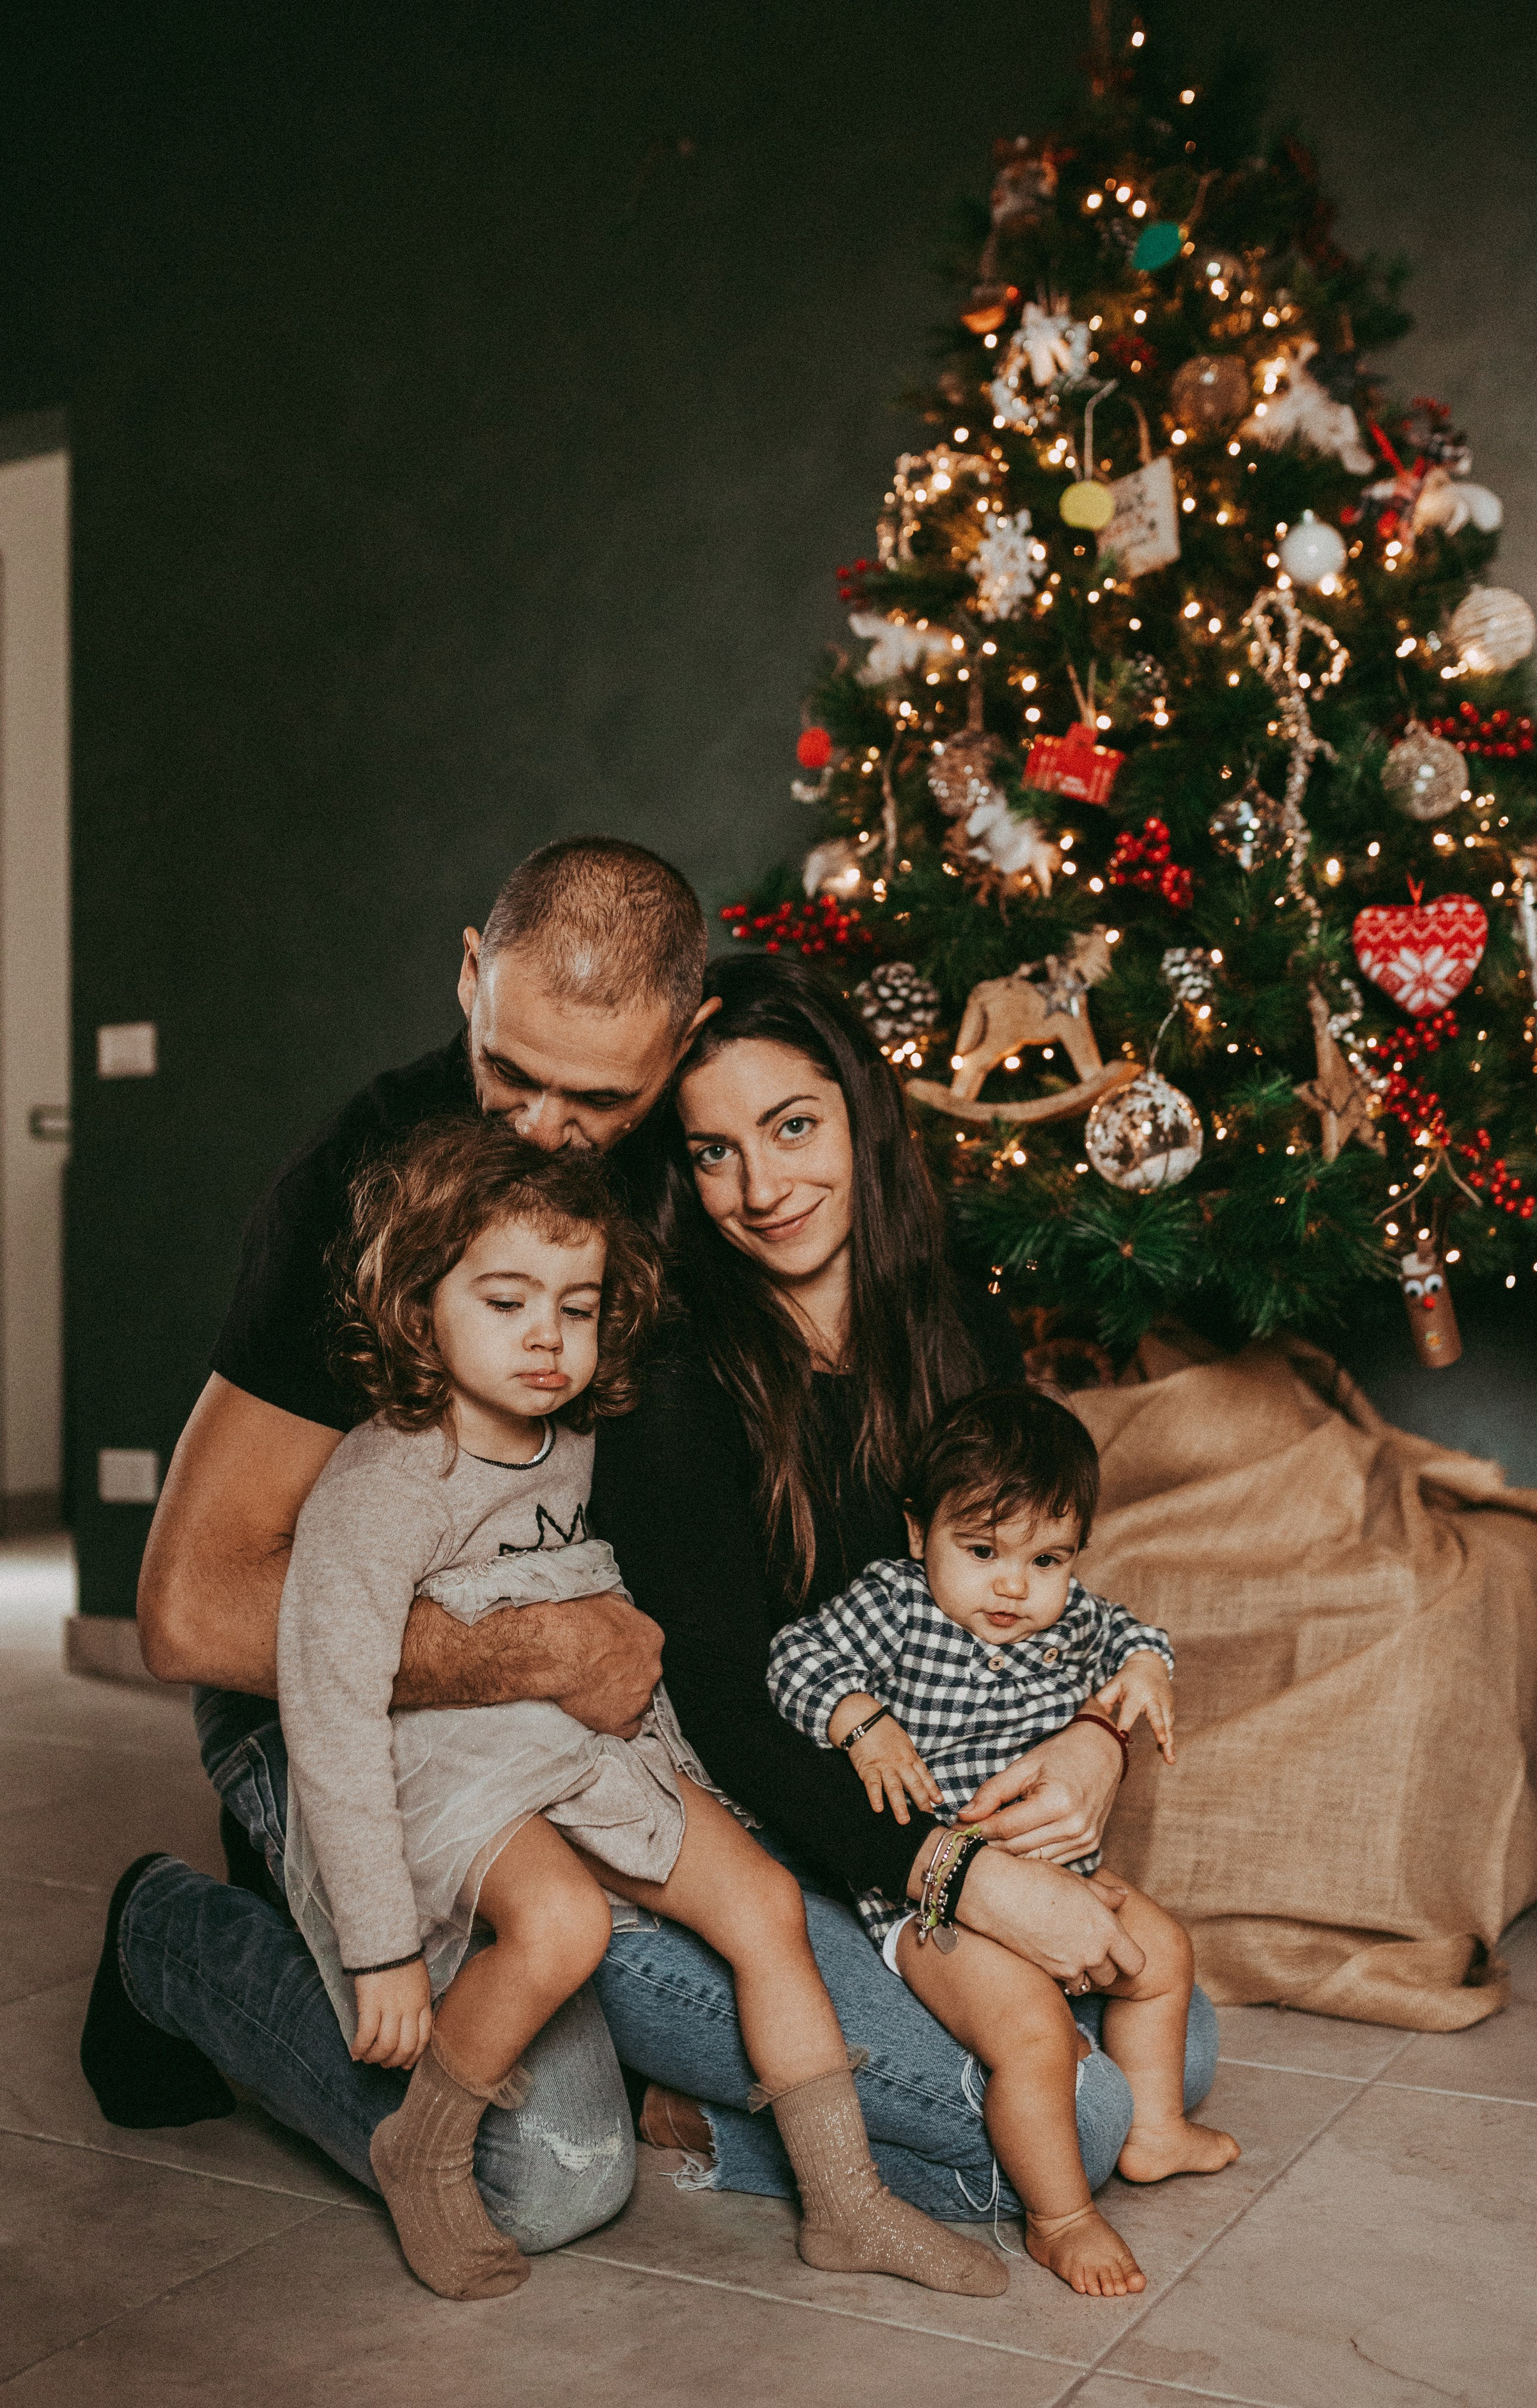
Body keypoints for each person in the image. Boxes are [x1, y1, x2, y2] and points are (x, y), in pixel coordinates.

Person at [82, 838, 714, 2249]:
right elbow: (186, 1609)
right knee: (543, 2180)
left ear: (683, 1047)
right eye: (511, 1072)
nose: (545, 1126)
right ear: (469, 975)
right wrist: (534, 1652)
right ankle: (169, 1942)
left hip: (571, 1725)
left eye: (599, 1096)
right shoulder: (355, 1190)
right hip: (337, 1712)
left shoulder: (711, 1165)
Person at [279, 1115, 1005, 2303]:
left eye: (577, 1307)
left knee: (766, 1905)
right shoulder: (384, 1481)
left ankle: (845, 2199)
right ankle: (421, 2140)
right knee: (558, 1927)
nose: (547, 1341)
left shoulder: (576, 1439)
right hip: (455, 1763)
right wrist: (385, 1953)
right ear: (421, 1304)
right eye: (507, 1303)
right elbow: (331, 1707)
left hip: (590, 1742)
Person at [586, 953, 1219, 2220]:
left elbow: (1019, 1574)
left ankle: (754, 2099)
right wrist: (964, 1879)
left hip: (910, 1829)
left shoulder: (951, 1320)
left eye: (792, 1127)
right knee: (1081, 2120)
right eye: (712, 1154)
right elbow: (720, 1704)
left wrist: (1095, 1738)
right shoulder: (670, 1378)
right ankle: (666, 2096)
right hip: (740, 1842)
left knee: (1178, 2047)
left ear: (860, 1114)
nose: (761, 1190)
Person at [767, 1382, 1240, 2297]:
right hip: (930, 1901)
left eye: (1048, 1560)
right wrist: (859, 1717)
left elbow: (1135, 1633)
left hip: (1060, 1874)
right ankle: (1060, 2219)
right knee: (1030, 2035)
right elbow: (793, 1659)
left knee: (1168, 1957)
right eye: (981, 1552)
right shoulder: (894, 1604)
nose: (1014, 1587)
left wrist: (1145, 1673)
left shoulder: (1070, 1621)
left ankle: (1152, 2134)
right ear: (919, 1534)